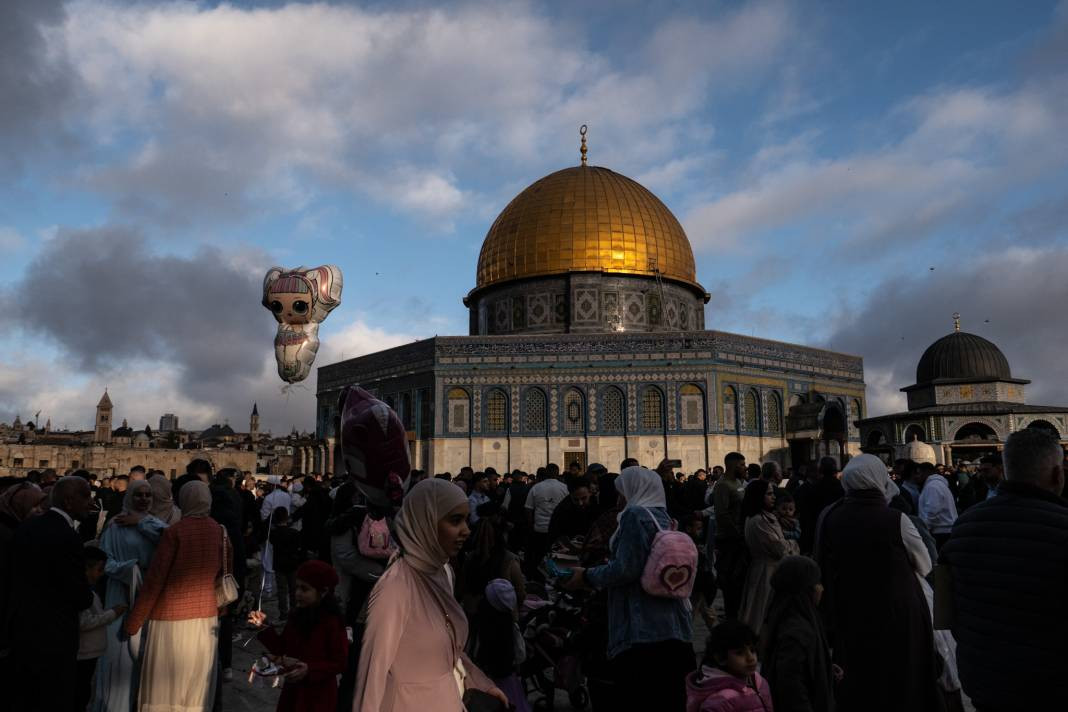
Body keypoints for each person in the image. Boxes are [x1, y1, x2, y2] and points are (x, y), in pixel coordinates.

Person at [942, 427, 1068, 711]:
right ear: (1057, 474)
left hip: (986, 682)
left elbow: (943, 612)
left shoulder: (961, 527)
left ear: (1006, 471)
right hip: (1052, 688)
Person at [354, 478, 506, 711]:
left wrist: (479, 682)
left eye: (466, 519)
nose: (466, 530)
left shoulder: (441, 572)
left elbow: (448, 649)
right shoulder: (396, 587)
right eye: (455, 520)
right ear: (425, 522)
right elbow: (371, 675)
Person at [815, 454, 941, 712]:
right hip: (898, 613)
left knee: (863, 679)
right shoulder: (896, 519)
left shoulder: (830, 518)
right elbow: (925, 565)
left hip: (851, 611)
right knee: (902, 679)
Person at [565, 467, 695, 711]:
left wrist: (588, 576)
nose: (618, 499)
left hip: (641, 624)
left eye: (622, 492)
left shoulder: (634, 515)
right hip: (672, 621)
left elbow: (625, 569)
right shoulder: (664, 517)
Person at [125, 481, 230, 712]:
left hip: (170, 621)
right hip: (205, 619)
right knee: (195, 685)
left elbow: (155, 580)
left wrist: (134, 622)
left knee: (166, 685)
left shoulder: (175, 532)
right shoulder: (219, 531)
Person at [9, 476, 94, 711]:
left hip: (24, 630)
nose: (90, 502)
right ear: (68, 501)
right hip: (56, 636)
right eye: (85, 496)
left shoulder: (27, 527)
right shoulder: (68, 537)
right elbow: (80, 596)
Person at [94, 478, 168, 712]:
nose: (144, 499)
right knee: (119, 656)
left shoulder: (156, 525)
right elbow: (103, 562)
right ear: (130, 497)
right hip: (121, 593)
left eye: (148, 495)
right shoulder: (116, 525)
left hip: (150, 596)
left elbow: (171, 545)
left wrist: (143, 523)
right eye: (139, 495)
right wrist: (128, 570)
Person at [248, 560, 349, 712]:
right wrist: (263, 626)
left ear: (323, 591)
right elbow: (281, 646)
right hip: (293, 693)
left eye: (305, 589)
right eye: (297, 588)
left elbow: (340, 662)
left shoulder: (332, 622)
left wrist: (310, 669)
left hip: (318, 696)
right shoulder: (296, 615)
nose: (298, 594)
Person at [761, 556, 836, 712]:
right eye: (817, 583)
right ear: (805, 589)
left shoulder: (788, 618)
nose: (821, 588)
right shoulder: (796, 631)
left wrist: (824, 668)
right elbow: (790, 685)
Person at [78, 546, 128, 712]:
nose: (101, 574)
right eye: (99, 569)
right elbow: (84, 622)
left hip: (89, 653)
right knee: (81, 694)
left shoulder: (89, 590)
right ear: (87, 568)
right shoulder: (82, 592)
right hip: (84, 654)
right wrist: (113, 614)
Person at [471, 579, 532, 712]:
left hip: (492, 679)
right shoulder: (508, 623)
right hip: (509, 677)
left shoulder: (485, 626)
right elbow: (518, 655)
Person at [684, 620, 772, 712]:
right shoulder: (719, 701)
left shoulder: (758, 681)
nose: (751, 658)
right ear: (721, 658)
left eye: (752, 650)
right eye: (740, 653)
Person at [738, 479, 787, 636]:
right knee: (760, 615)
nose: (773, 497)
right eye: (769, 494)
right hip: (765, 572)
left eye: (773, 493)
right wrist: (792, 544)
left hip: (771, 569)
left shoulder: (766, 517)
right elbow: (779, 548)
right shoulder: (758, 521)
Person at [713, 452, 747, 619]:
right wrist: (737, 534)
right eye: (741, 465)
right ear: (732, 465)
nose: (744, 467)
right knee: (730, 581)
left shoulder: (738, 483)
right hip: (728, 540)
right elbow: (722, 514)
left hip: (739, 538)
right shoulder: (723, 485)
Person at [523, 465, 568, 579]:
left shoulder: (536, 488)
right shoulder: (565, 488)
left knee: (539, 556)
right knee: (557, 558)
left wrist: (531, 525)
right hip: (558, 530)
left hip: (540, 529)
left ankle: (539, 579)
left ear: (546, 473)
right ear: (557, 473)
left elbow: (528, 509)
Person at [797, 457, 844, 555]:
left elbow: (807, 515)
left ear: (820, 470)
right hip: (838, 531)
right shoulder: (842, 488)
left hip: (817, 531)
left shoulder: (813, 488)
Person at [271, 506, 304, 619]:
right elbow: (298, 548)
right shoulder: (294, 533)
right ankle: (294, 611)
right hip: (292, 563)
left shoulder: (273, 533)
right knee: (293, 589)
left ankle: (283, 613)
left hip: (279, 564)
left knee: (281, 590)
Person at [547, 475, 597, 545]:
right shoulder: (562, 510)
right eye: (576, 500)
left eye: (584, 498)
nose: (580, 503)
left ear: (590, 492)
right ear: (570, 495)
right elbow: (554, 535)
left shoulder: (597, 504)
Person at [775, 491, 801, 557]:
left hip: (793, 545)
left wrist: (785, 534)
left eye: (790, 509)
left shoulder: (795, 522)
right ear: (777, 508)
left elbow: (798, 534)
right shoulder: (776, 518)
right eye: (784, 509)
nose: (787, 511)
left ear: (794, 510)